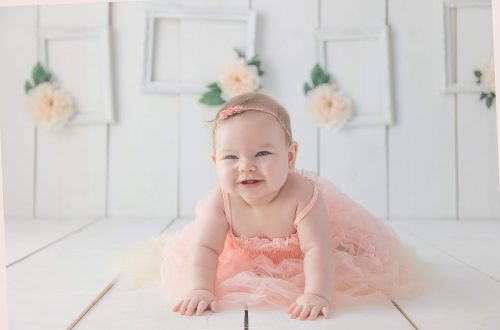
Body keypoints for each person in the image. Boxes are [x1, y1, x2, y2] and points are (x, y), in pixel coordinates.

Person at [161, 92, 420, 321]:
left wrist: (317, 294)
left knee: (354, 253)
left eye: (262, 153)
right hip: (245, 261)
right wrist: (201, 289)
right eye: (231, 157)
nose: (246, 166)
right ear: (215, 161)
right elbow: (206, 248)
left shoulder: (302, 195)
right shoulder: (219, 201)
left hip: (307, 257)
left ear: (290, 156)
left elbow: (317, 249)